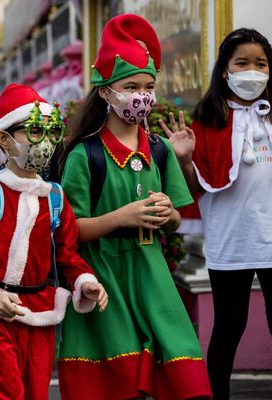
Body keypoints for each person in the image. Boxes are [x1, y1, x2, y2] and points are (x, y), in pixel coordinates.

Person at [161, 28, 272, 399]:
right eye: (242, 63)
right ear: (225, 70)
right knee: (229, 328)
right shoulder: (206, 118)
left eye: (260, 63)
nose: (252, 70)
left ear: (271, 70)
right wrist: (184, 159)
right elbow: (195, 185)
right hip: (230, 240)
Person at [57, 14, 212, 400]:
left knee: (180, 362)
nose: (141, 95)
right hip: (104, 271)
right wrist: (119, 218)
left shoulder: (160, 150)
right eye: (131, 86)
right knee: (115, 380)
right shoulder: (85, 154)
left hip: (150, 268)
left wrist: (166, 213)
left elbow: (177, 218)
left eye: (148, 86)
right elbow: (69, 228)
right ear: (106, 92)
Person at [0, 83, 108, 400]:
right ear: (4, 139)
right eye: (34, 131)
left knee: (36, 393)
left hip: (41, 317)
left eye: (51, 131)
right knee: (2, 393)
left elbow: (68, 256)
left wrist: (85, 281)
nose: (45, 142)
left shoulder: (56, 199)